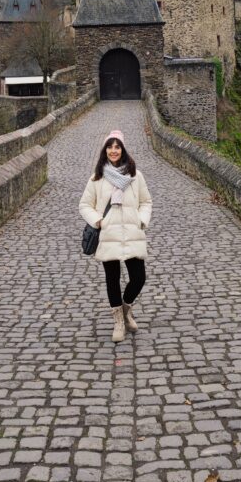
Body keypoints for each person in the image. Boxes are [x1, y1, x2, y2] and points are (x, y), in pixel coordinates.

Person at [79, 130, 152, 343]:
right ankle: (119, 321)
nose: (113, 150)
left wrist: (141, 219)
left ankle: (126, 308)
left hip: (132, 231)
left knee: (138, 278)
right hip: (108, 234)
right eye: (110, 146)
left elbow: (146, 201)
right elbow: (84, 205)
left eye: (117, 146)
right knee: (112, 280)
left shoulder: (135, 176)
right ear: (105, 150)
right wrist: (98, 220)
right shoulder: (97, 178)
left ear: (123, 149)